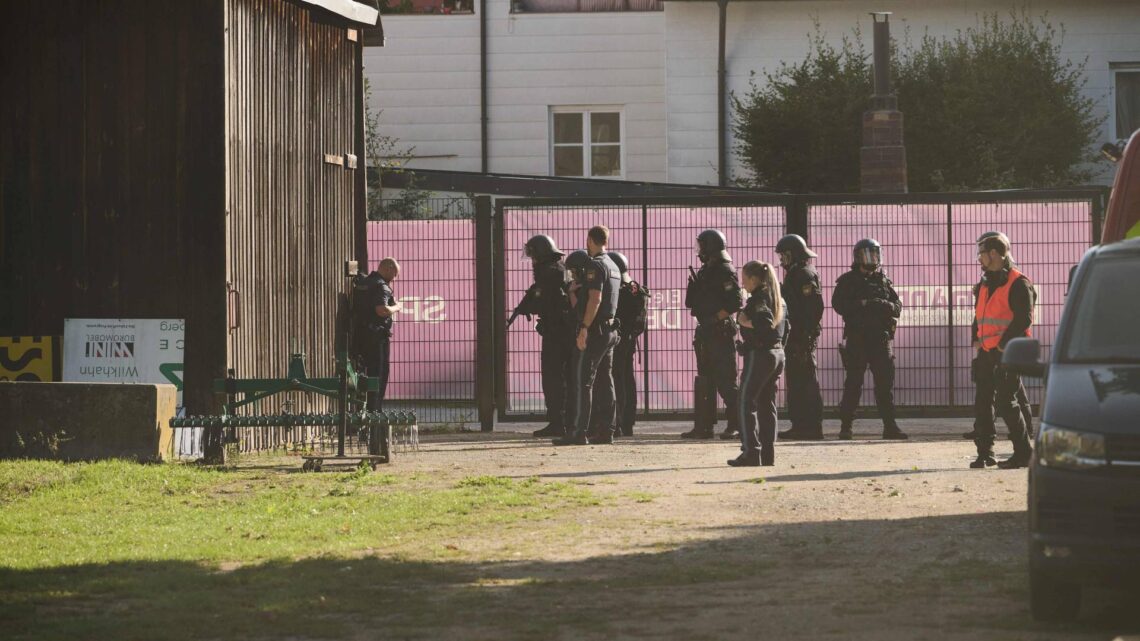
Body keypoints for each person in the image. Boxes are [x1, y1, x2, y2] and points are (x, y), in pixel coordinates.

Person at [969, 231, 1035, 469]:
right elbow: (979, 315)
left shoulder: (1019, 282)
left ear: (994, 254)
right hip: (987, 352)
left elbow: (1024, 319)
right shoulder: (984, 283)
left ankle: (1024, 453)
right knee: (983, 401)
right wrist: (976, 338)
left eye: (982, 254)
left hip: (1008, 352)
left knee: (1007, 402)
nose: (979, 258)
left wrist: (1001, 344)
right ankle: (985, 453)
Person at [832, 239, 908, 440]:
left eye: (875, 254)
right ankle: (846, 426)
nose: (872, 259)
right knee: (853, 384)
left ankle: (890, 426)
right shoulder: (848, 280)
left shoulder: (883, 281)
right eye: (867, 255)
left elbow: (897, 306)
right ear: (858, 257)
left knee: (884, 385)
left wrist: (882, 304)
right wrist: (862, 304)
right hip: (858, 339)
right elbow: (838, 304)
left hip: (881, 340)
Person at [554, 226, 621, 446]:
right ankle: (606, 431)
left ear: (590, 240)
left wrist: (584, 328)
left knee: (583, 381)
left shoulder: (595, 264)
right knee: (605, 381)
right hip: (610, 329)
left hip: (595, 330)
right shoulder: (613, 264)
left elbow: (595, 299)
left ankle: (578, 432)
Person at [682, 229, 743, 440]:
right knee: (705, 380)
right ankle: (704, 425)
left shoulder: (725, 270)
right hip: (705, 331)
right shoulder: (705, 270)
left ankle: (736, 424)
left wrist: (715, 318)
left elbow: (735, 302)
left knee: (726, 380)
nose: (698, 250)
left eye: (702, 246)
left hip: (720, 331)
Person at [516, 235, 577, 438]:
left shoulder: (548, 273)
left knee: (552, 379)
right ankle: (567, 421)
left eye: (533, 256)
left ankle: (557, 422)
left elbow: (546, 303)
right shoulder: (561, 269)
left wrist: (532, 305)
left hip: (557, 333)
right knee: (566, 378)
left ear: (541, 255)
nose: (532, 261)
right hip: (566, 332)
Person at [730, 261, 788, 467]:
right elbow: (785, 328)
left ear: (754, 279)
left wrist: (744, 322)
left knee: (746, 402)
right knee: (767, 404)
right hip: (777, 354)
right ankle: (768, 454)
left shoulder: (760, 299)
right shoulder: (778, 298)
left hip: (761, 355)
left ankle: (751, 453)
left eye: (744, 279)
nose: (742, 283)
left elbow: (764, 322)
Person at [774, 234, 825, 441]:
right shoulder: (797, 273)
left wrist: (805, 336)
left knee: (806, 382)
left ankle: (810, 426)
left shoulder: (803, 274)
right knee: (797, 381)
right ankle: (801, 425)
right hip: (796, 336)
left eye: (784, 256)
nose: (781, 261)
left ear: (792, 255)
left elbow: (814, 308)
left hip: (801, 337)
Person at [608, 251, 650, 437]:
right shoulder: (634, 288)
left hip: (617, 339)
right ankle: (627, 422)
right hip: (629, 340)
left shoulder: (618, 289)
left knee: (616, 379)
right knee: (626, 378)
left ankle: (617, 422)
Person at [351, 257, 402, 411]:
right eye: (395, 275)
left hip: (360, 336)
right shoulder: (382, 287)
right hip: (377, 337)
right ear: (388, 269)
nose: (394, 279)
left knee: (362, 375)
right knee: (379, 374)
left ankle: (361, 410)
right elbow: (382, 310)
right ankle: (375, 412)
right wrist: (397, 307)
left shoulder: (363, 283)